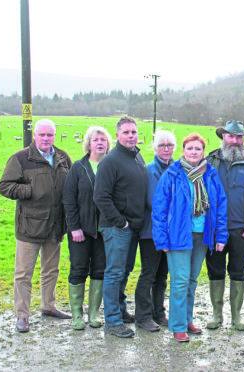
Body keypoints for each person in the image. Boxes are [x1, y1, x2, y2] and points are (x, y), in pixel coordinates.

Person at [0, 118, 72, 333]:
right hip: (29, 227)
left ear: (54, 136)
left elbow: (72, 185)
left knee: (51, 270)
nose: (46, 139)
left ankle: (48, 306)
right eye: (42, 135)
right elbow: (4, 186)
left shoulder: (63, 157)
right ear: (35, 136)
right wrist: (29, 190)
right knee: (23, 274)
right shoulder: (21, 158)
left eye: (50, 135)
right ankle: (22, 315)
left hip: (55, 225)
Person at [152, 132, 228, 343]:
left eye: (198, 149)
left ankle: (187, 319)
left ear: (203, 152)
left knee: (192, 280)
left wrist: (220, 235)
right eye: (189, 148)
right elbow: (159, 208)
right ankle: (177, 326)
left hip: (202, 235)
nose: (193, 152)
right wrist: (162, 239)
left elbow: (221, 206)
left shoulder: (210, 174)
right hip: (178, 236)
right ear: (183, 151)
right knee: (180, 281)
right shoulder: (172, 174)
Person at [93, 116, 149, 338]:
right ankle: (113, 321)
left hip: (134, 226)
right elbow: (101, 197)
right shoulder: (110, 161)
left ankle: (121, 310)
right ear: (116, 135)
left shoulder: (137, 157)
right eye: (126, 132)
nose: (131, 136)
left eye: (133, 132)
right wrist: (121, 221)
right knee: (114, 272)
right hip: (117, 227)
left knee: (125, 270)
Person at [205, 120, 244, 331]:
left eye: (239, 137)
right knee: (215, 271)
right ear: (223, 137)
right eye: (231, 136)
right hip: (214, 230)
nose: (235, 141)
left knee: (238, 272)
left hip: (241, 230)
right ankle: (216, 314)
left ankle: (236, 316)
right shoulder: (209, 160)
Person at [62, 126, 112, 330]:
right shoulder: (78, 168)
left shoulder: (111, 166)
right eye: (96, 139)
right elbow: (69, 199)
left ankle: (93, 314)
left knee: (99, 271)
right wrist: (74, 227)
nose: (100, 143)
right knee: (79, 268)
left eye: (103, 140)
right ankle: (76, 315)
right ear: (88, 144)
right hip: (80, 230)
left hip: (105, 231)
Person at [135, 130, 177, 332]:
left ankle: (158, 312)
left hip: (171, 232)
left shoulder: (178, 169)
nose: (166, 149)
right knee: (148, 274)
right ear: (155, 148)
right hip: (151, 231)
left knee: (162, 275)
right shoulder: (148, 170)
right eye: (162, 145)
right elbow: (153, 201)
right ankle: (142, 316)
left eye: (169, 145)